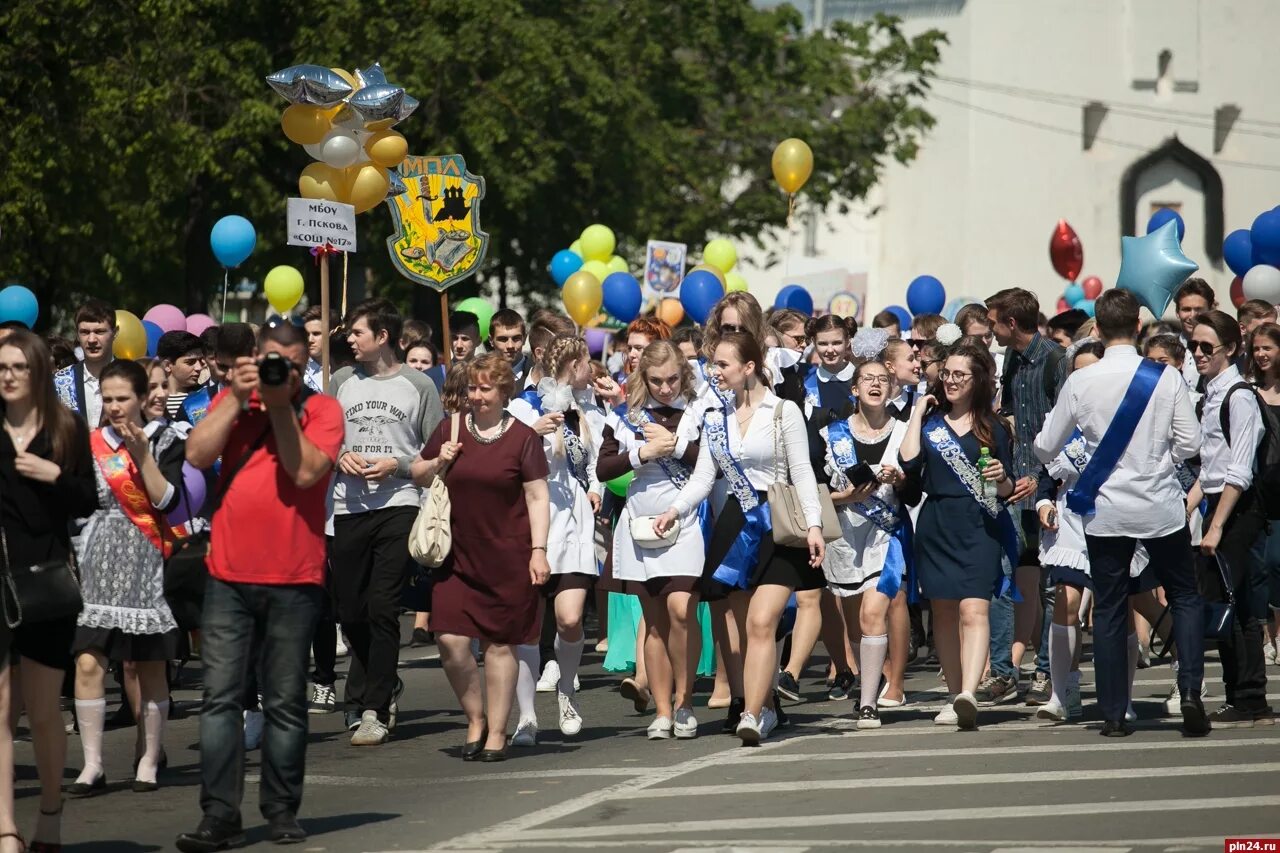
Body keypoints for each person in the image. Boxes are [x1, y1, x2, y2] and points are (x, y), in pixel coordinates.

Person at [176, 320, 343, 850]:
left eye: (290, 364)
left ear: (304, 363)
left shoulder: (322, 410)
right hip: (227, 574)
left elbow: (304, 471)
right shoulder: (232, 400)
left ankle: (280, 810)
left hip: (295, 578)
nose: (280, 371)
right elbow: (197, 455)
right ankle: (219, 816)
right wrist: (236, 396)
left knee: (286, 701)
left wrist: (277, 407)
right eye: (271, 360)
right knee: (221, 699)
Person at [1034, 288, 1208, 737]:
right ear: (1136, 326)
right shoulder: (1164, 377)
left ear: (1097, 326)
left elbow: (1045, 446)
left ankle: (1112, 712)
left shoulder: (1080, 381)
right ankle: (1190, 690)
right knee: (1185, 597)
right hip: (1161, 507)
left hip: (1106, 510)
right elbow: (1190, 444)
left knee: (1110, 607)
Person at [654, 333, 826, 745]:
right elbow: (703, 478)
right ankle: (760, 705)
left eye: (724, 365)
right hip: (736, 524)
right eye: (713, 364)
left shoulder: (783, 412)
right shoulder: (717, 419)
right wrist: (674, 509)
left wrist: (815, 525)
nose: (715, 372)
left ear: (749, 368)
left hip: (778, 523)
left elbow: (802, 473)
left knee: (763, 620)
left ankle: (753, 712)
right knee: (745, 627)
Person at [412, 353, 551, 761]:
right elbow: (418, 472)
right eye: (472, 387)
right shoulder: (450, 428)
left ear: (504, 390)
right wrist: (441, 459)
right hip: (457, 556)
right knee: (451, 641)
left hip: (508, 555)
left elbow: (537, 496)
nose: (476, 395)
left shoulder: (523, 437)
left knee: (499, 645)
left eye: (485, 388)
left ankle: (497, 729)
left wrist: (539, 551)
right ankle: (474, 717)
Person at [69, 360, 186, 797]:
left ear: (141, 398)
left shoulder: (168, 440)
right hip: (99, 561)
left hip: (149, 560)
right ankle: (93, 764)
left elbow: (167, 500)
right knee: (87, 661)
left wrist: (141, 455)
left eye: (123, 398)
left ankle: (149, 758)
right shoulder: (91, 444)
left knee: (149, 665)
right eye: (109, 398)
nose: (115, 406)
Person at [1034, 339, 1166, 723]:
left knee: (1121, 606)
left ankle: (1121, 698)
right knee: (1066, 599)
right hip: (1073, 521)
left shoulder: (1129, 416)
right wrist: (1043, 503)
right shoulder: (1062, 415)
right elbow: (1046, 470)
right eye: (1078, 372)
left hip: (1118, 517)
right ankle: (1063, 695)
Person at [330, 298, 443, 746]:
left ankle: (374, 705)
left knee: (382, 608)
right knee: (350, 611)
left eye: (358, 333)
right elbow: (323, 440)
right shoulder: (339, 381)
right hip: (347, 507)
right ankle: (384, 681)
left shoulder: (419, 386)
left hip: (400, 503)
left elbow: (435, 455)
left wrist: (395, 465)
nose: (349, 340)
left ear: (382, 337)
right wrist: (340, 457)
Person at [0, 331, 97, 852]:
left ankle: (51, 814)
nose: (8, 375)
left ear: (37, 372)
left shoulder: (64, 427)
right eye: (1, 367)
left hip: (44, 584)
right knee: (0, 711)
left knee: (41, 714)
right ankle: (5, 829)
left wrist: (53, 473)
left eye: (18, 366)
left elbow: (88, 499)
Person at [899, 341, 1016, 730]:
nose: (950, 381)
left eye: (959, 375)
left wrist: (1001, 479)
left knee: (974, 608)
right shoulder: (931, 425)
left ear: (977, 379)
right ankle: (953, 694)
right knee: (944, 613)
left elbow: (1006, 486)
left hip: (980, 524)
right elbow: (909, 460)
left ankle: (969, 691)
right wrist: (918, 410)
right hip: (937, 523)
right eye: (946, 373)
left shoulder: (995, 427)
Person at [597, 341, 705, 739]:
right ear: (644, 377)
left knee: (682, 609)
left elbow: (712, 463)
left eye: (672, 379)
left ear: (684, 374)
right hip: (642, 523)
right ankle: (662, 709)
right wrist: (642, 453)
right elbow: (605, 468)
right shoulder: (626, 416)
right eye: (656, 380)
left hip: (687, 518)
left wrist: (676, 445)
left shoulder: (699, 411)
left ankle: (685, 701)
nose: (664, 387)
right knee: (656, 620)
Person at [508, 336, 603, 739]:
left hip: (575, 519)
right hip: (534, 517)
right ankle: (526, 716)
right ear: (574, 363)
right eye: (588, 363)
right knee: (529, 625)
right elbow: (502, 450)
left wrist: (595, 485)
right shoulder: (522, 405)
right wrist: (533, 430)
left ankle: (567, 689)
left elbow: (596, 457)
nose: (593, 370)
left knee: (568, 619)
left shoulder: (585, 407)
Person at [819, 358, 918, 728]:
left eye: (883, 379)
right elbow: (814, 492)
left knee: (872, 614)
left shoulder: (905, 430)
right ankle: (868, 684)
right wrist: (844, 496)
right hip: (845, 536)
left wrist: (902, 480)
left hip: (886, 534)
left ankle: (868, 704)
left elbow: (918, 487)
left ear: (892, 388)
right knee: (856, 617)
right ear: (855, 389)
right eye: (867, 379)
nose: (876, 384)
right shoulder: (832, 435)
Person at [1186, 310, 1272, 726]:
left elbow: (1239, 470)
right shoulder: (1211, 394)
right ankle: (1239, 696)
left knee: (1240, 605)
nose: (1199, 354)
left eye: (1208, 347)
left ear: (1232, 349)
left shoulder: (1238, 395)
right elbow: (1210, 468)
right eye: (1194, 346)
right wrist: (1188, 506)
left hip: (1239, 508)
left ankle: (1252, 698)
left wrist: (1217, 525)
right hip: (1218, 501)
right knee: (1224, 601)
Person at [985, 287, 1065, 708]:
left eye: (994, 322)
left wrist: (1040, 477)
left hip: (1048, 489)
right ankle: (1002, 672)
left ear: (1011, 323)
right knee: (1004, 575)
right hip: (1011, 486)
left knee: (1051, 584)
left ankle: (1048, 671)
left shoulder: (1055, 359)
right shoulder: (1012, 359)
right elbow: (1015, 413)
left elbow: (1070, 427)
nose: (991, 330)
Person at [1247, 323, 1280, 668]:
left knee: (1276, 562)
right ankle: (1266, 633)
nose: (1261, 354)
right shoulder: (1249, 391)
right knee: (1259, 567)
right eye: (1256, 348)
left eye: (1268, 347)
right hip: (1258, 488)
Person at [53, 299, 116, 427]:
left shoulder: (130, 378)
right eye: (85, 332)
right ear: (77, 334)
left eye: (99, 332)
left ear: (115, 333)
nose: (92, 339)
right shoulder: (59, 381)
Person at [1174, 278, 1216, 389]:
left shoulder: (1221, 351)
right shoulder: (1168, 350)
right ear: (1177, 313)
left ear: (1211, 310)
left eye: (1199, 309)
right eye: (1186, 309)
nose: (1192, 316)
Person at [157, 331, 208, 422]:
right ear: (168, 365)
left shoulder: (207, 397)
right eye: (190, 362)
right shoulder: (153, 401)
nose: (199, 367)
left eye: (200, 360)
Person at [302, 306, 341, 394]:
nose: (310, 340)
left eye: (316, 334)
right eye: (307, 334)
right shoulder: (299, 370)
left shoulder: (343, 368)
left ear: (331, 334)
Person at [489, 309, 529, 384]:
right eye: (503, 339)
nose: (510, 346)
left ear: (524, 339)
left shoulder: (537, 375)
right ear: (491, 341)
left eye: (516, 338)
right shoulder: (480, 376)